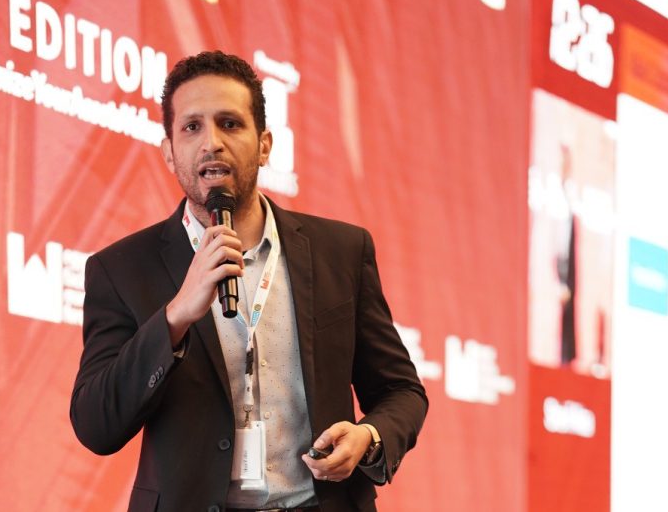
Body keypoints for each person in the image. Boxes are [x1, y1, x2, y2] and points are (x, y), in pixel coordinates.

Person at [70, 50, 427, 512]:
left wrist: (369, 437)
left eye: (230, 124)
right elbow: (95, 425)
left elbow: (401, 391)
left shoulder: (341, 251)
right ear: (169, 152)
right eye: (192, 127)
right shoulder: (120, 269)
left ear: (264, 145)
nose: (211, 143)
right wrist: (175, 318)